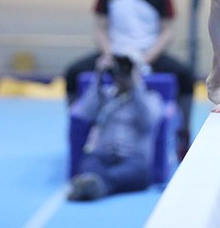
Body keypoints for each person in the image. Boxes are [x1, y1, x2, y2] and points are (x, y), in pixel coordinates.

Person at [64, 0, 194, 158]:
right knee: (72, 73)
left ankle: (183, 133)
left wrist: (146, 59)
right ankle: (79, 131)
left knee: (186, 76)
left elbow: (167, 31)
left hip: (147, 53)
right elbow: (100, 28)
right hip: (116, 51)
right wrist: (108, 55)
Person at [68, 51, 164, 201]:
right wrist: (98, 77)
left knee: (136, 173)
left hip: (134, 160)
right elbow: (84, 114)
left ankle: (96, 185)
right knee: (90, 163)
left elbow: (148, 122)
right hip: (102, 156)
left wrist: (135, 85)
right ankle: (95, 184)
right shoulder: (105, 95)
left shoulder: (151, 98)